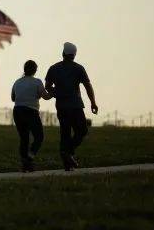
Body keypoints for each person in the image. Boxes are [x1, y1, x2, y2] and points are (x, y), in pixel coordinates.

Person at [45, 42, 98, 171]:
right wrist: (93, 102)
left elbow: (47, 86)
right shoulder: (79, 68)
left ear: (63, 53)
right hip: (75, 105)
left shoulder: (54, 68)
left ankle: (67, 160)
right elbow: (87, 86)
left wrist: (56, 91)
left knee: (65, 133)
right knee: (82, 131)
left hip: (61, 106)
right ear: (74, 55)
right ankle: (69, 153)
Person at [11, 60, 53, 172]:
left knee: (24, 138)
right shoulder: (37, 82)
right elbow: (46, 96)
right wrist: (54, 91)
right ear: (35, 70)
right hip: (31, 112)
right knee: (39, 137)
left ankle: (25, 164)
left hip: (17, 111)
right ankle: (30, 156)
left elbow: (13, 98)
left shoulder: (17, 82)